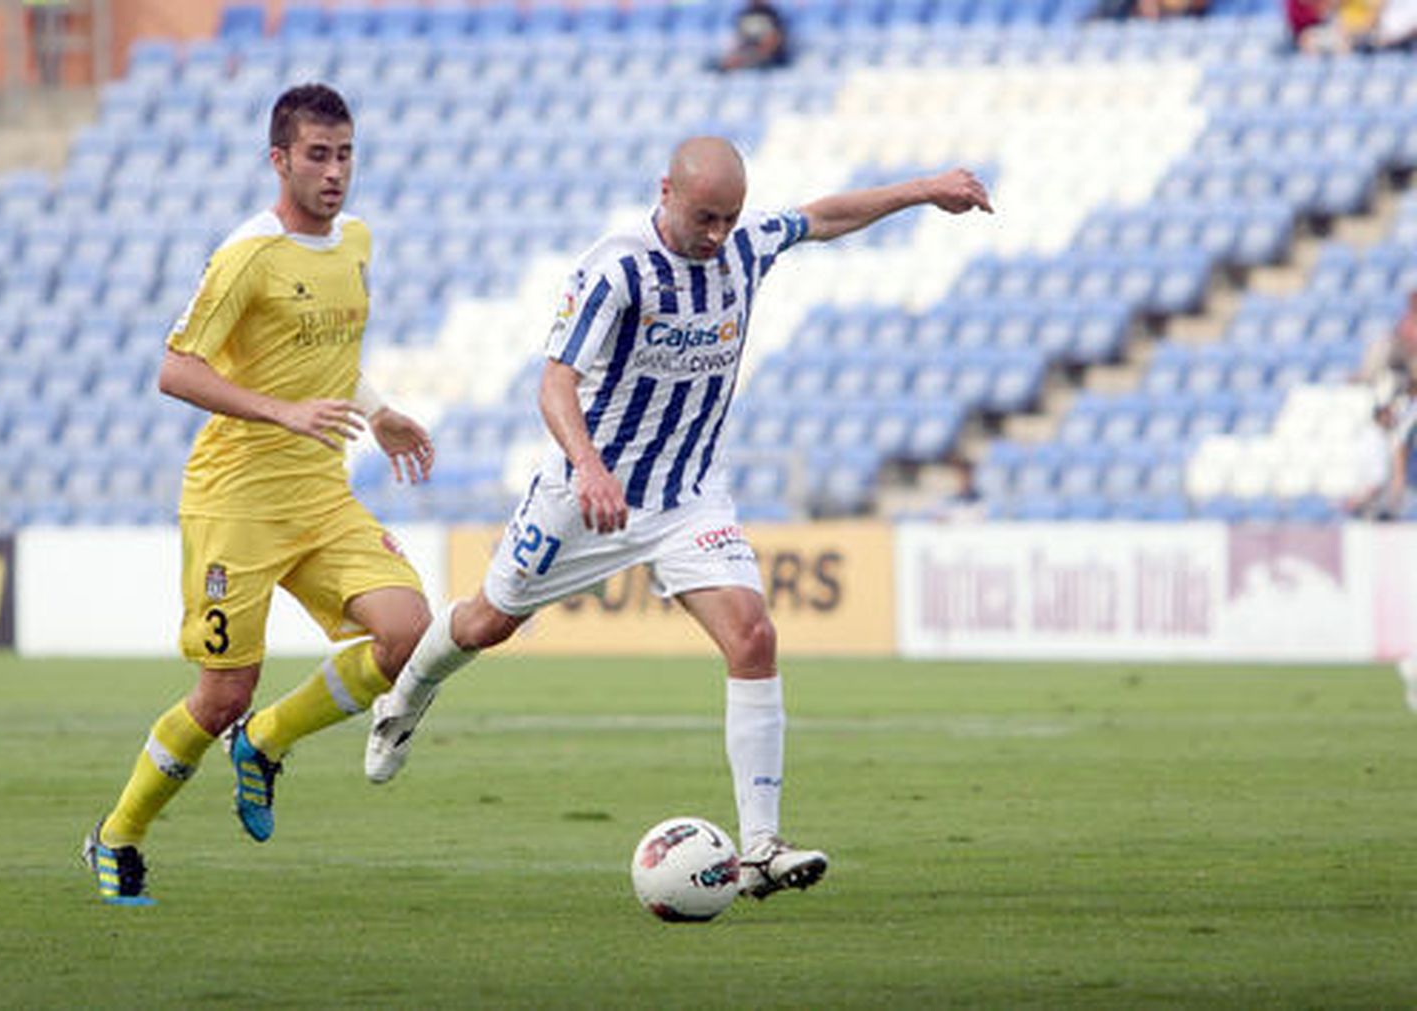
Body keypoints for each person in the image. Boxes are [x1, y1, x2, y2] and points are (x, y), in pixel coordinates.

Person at [363, 137, 991, 902]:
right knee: (488, 623)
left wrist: (926, 188)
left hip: (689, 496)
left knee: (753, 635)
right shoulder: (615, 268)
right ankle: (405, 699)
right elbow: (555, 383)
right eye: (705, 217)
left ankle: (760, 844)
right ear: (665, 190)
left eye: (729, 217)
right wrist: (590, 466)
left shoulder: (744, 247)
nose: (718, 234)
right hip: (583, 494)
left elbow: (823, 216)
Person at [82, 83, 436, 905]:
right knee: (220, 694)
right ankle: (119, 832)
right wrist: (282, 412)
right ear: (279, 159)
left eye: (345, 154)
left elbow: (324, 352)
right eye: (317, 155)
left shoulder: (355, 242)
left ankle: (269, 741)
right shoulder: (246, 253)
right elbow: (176, 369)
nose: (335, 172)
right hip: (235, 500)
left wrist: (377, 414)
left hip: (320, 492)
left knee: (409, 633)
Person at [714, 0, 791, 72]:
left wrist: (757, 53)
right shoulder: (744, 14)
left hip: (770, 58)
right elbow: (739, 40)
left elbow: (775, 40)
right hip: (748, 54)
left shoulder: (772, 14)